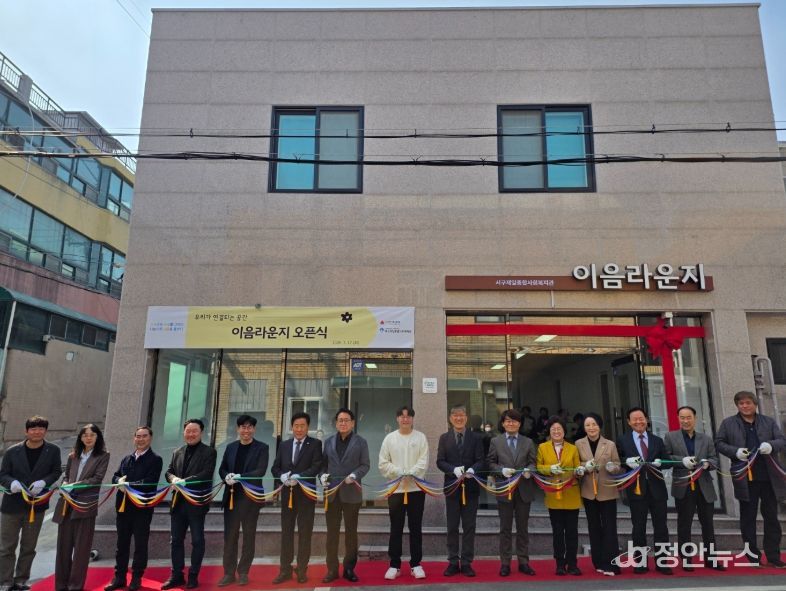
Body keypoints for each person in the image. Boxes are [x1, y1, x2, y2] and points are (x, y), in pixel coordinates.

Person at [716, 390, 786, 568]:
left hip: (768, 477)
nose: (745, 406)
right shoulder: (728, 423)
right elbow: (719, 443)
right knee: (748, 518)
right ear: (737, 405)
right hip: (745, 477)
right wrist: (735, 452)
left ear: (755, 404)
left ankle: (773, 556)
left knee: (771, 517)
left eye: (748, 403)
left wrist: (771, 445)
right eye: (741, 403)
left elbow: (781, 440)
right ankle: (752, 556)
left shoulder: (768, 422)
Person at [0, 416, 62, 591]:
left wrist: (45, 482)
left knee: (29, 546)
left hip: (36, 505)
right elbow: (3, 474)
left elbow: (56, 471)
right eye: (33, 429)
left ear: (46, 431)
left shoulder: (53, 450)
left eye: (41, 428)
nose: (37, 432)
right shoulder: (12, 451)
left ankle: (21, 579)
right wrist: (11, 482)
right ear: (26, 431)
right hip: (12, 506)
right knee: (6, 547)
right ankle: (5, 581)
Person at [664, 405, 723, 571]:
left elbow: (714, 459)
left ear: (695, 419)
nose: (686, 421)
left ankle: (711, 559)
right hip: (683, 486)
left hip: (704, 486)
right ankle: (686, 559)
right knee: (684, 524)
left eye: (689, 417)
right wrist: (681, 461)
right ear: (678, 419)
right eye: (682, 418)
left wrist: (708, 464)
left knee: (708, 524)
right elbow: (665, 458)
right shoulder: (670, 437)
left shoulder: (706, 438)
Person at [104, 426, 163, 591]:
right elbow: (115, 475)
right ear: (134, 438)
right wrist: (118, 481)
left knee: (140, 544)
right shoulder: (127, 459)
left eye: (144, 436)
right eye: (138, 436)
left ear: (150, 438)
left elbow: (150, 481)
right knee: (121, 544)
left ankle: (136, 577)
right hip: (123, 508)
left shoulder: (155, 459)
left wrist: (128, 485)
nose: (140, 439)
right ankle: (119, 577)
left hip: (142, 508)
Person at [53, 423, 111, 591]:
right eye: (85, 435)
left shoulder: (103, 456)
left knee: (81, 549)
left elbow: (97, 478)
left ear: (98, 437)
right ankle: (61, 585)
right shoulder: (73, 455)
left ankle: (75, 586)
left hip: (85, 506)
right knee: (63, 548)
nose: (88, 438)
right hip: (66, 505)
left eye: (92, 435)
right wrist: (65, 484)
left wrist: (74, 486)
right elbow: (66, 475)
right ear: (80, 438)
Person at [616, 407, 672, 574]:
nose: (638, 422)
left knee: (661, 527)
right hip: (636, 489)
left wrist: (660, 462)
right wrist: (627, 461)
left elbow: (667, 461)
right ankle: (640, 562)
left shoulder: (657, 440)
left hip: (657, 490)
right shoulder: (623, 440)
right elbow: (617, 460)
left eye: (641, 418)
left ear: (647, 420)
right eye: (634, 419)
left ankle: (662, 562)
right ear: (629, 422)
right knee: (638, 527)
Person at [162, 419, 217, 590]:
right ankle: (176, 575)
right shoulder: (177, 451)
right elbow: (168, 472)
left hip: (196, 503)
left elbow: (207, 473)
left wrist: (186, 481)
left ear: (201, 433)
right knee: (176, 541)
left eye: (195, 431)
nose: (191, 434)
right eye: (188, 431)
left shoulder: (209, 452)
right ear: (184, 432)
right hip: (178, 503)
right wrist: (173, 479)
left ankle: (193, 576)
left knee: (197, 540)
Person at [271, 412, 323, 584]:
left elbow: (316, 466)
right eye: (296, 426)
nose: (299, 429)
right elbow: (275, 468)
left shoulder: (315, 444)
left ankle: (301, 569)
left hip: (306, 495)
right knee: (286, 533)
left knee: (305, 533)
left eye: (302, 426)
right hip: (288, 496)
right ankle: (285, 570)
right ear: (291, 427)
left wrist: (300, 477)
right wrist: (282, 477)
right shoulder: (284, 445)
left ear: (308, 427)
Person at [218, 415, 269, 587]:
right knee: (230, 537)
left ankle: (244, 572)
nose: (246, 430)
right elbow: (222, 468)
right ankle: (228, 573)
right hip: (232, 498)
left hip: (251, 499)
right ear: (237, 429)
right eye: (243, 427)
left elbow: (260, 471)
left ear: (254, 429)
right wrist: (227, 476)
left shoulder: (262, 448)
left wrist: (240, 477)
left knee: (249, 536)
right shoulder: (231, 447)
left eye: (249, 427)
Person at [319, 408, 370, 584]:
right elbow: (323, 466)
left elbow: (365, 465)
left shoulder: (361, 442)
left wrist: (355, 475)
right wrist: (322, 476)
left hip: (351, 493)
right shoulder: (328, 442)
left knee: (351, 533)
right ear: (336, 423)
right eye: (340, 420)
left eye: (346, 420)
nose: (343, 423)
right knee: (331, 533)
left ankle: (349, 568)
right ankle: (332, 569)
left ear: (353, 423)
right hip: (332, 494)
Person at [378, 406, 429, 581]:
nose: (405, 419)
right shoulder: (389, 438)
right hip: (396, 489)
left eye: (408, 416)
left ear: (412, 419)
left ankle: (416, 564)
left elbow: (423, 461)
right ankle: (394, 565)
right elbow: (383, 463)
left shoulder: (420, 437)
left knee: (416, 527)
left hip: (416, 489)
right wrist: (399, 471)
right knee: (396, 528)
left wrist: (412, 472)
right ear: (397, 418)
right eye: (402, 416)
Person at [486, 409, 537, 577]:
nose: (511, 423)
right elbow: (490, 462)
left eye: (514, 421)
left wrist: (529, 470)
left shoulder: (528, 442)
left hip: (523, 489)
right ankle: (505, 563)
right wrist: (501, 470)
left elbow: (533, 462)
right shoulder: (496, 441)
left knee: (523, 528)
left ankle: (523, 562)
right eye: (507, 421)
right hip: (504, 489)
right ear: (503, 424)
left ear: (519, 424)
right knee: (505, 528)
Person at [436, 404, 484, 577]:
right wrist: (452, 470)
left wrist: (473, 470)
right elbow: (440, 461)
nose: (458, 418)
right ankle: (452, 561)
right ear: (450, 418)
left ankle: (466, 562)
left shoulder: (475, 437)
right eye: (455, 415)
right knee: (452, 527)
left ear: (466, 417)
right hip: (452, 489)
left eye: (461, 415)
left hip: (471, 489)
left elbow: (481, 460)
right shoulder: (444, 438)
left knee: (469, 527)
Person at [574, 412, 621, 576]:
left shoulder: (610, 444)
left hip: (607, 490)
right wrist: (584, 466)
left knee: (610, 528)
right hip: (589, 492)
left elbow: (617, 464)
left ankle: (612, 563)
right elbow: (576, 466)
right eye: (587, 425)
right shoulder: (578, 444)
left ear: (599, 426)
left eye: (594, 424)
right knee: (594, 527)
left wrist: (612, 467)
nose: (591, 428)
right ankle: (598, 562)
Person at [537, 416, 582, 576]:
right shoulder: (542, 447)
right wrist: (550, 469)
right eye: (553, 429)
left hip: (571, 494)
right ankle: (560, 564)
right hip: (553, 494)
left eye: (559, 429)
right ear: (549, 431)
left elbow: (577, 467)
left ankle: (573, 563)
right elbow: (539, 467)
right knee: (557, 532)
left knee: (572, 532)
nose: (556, 431)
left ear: (564, 431)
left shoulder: (573, 448)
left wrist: (579, 470)